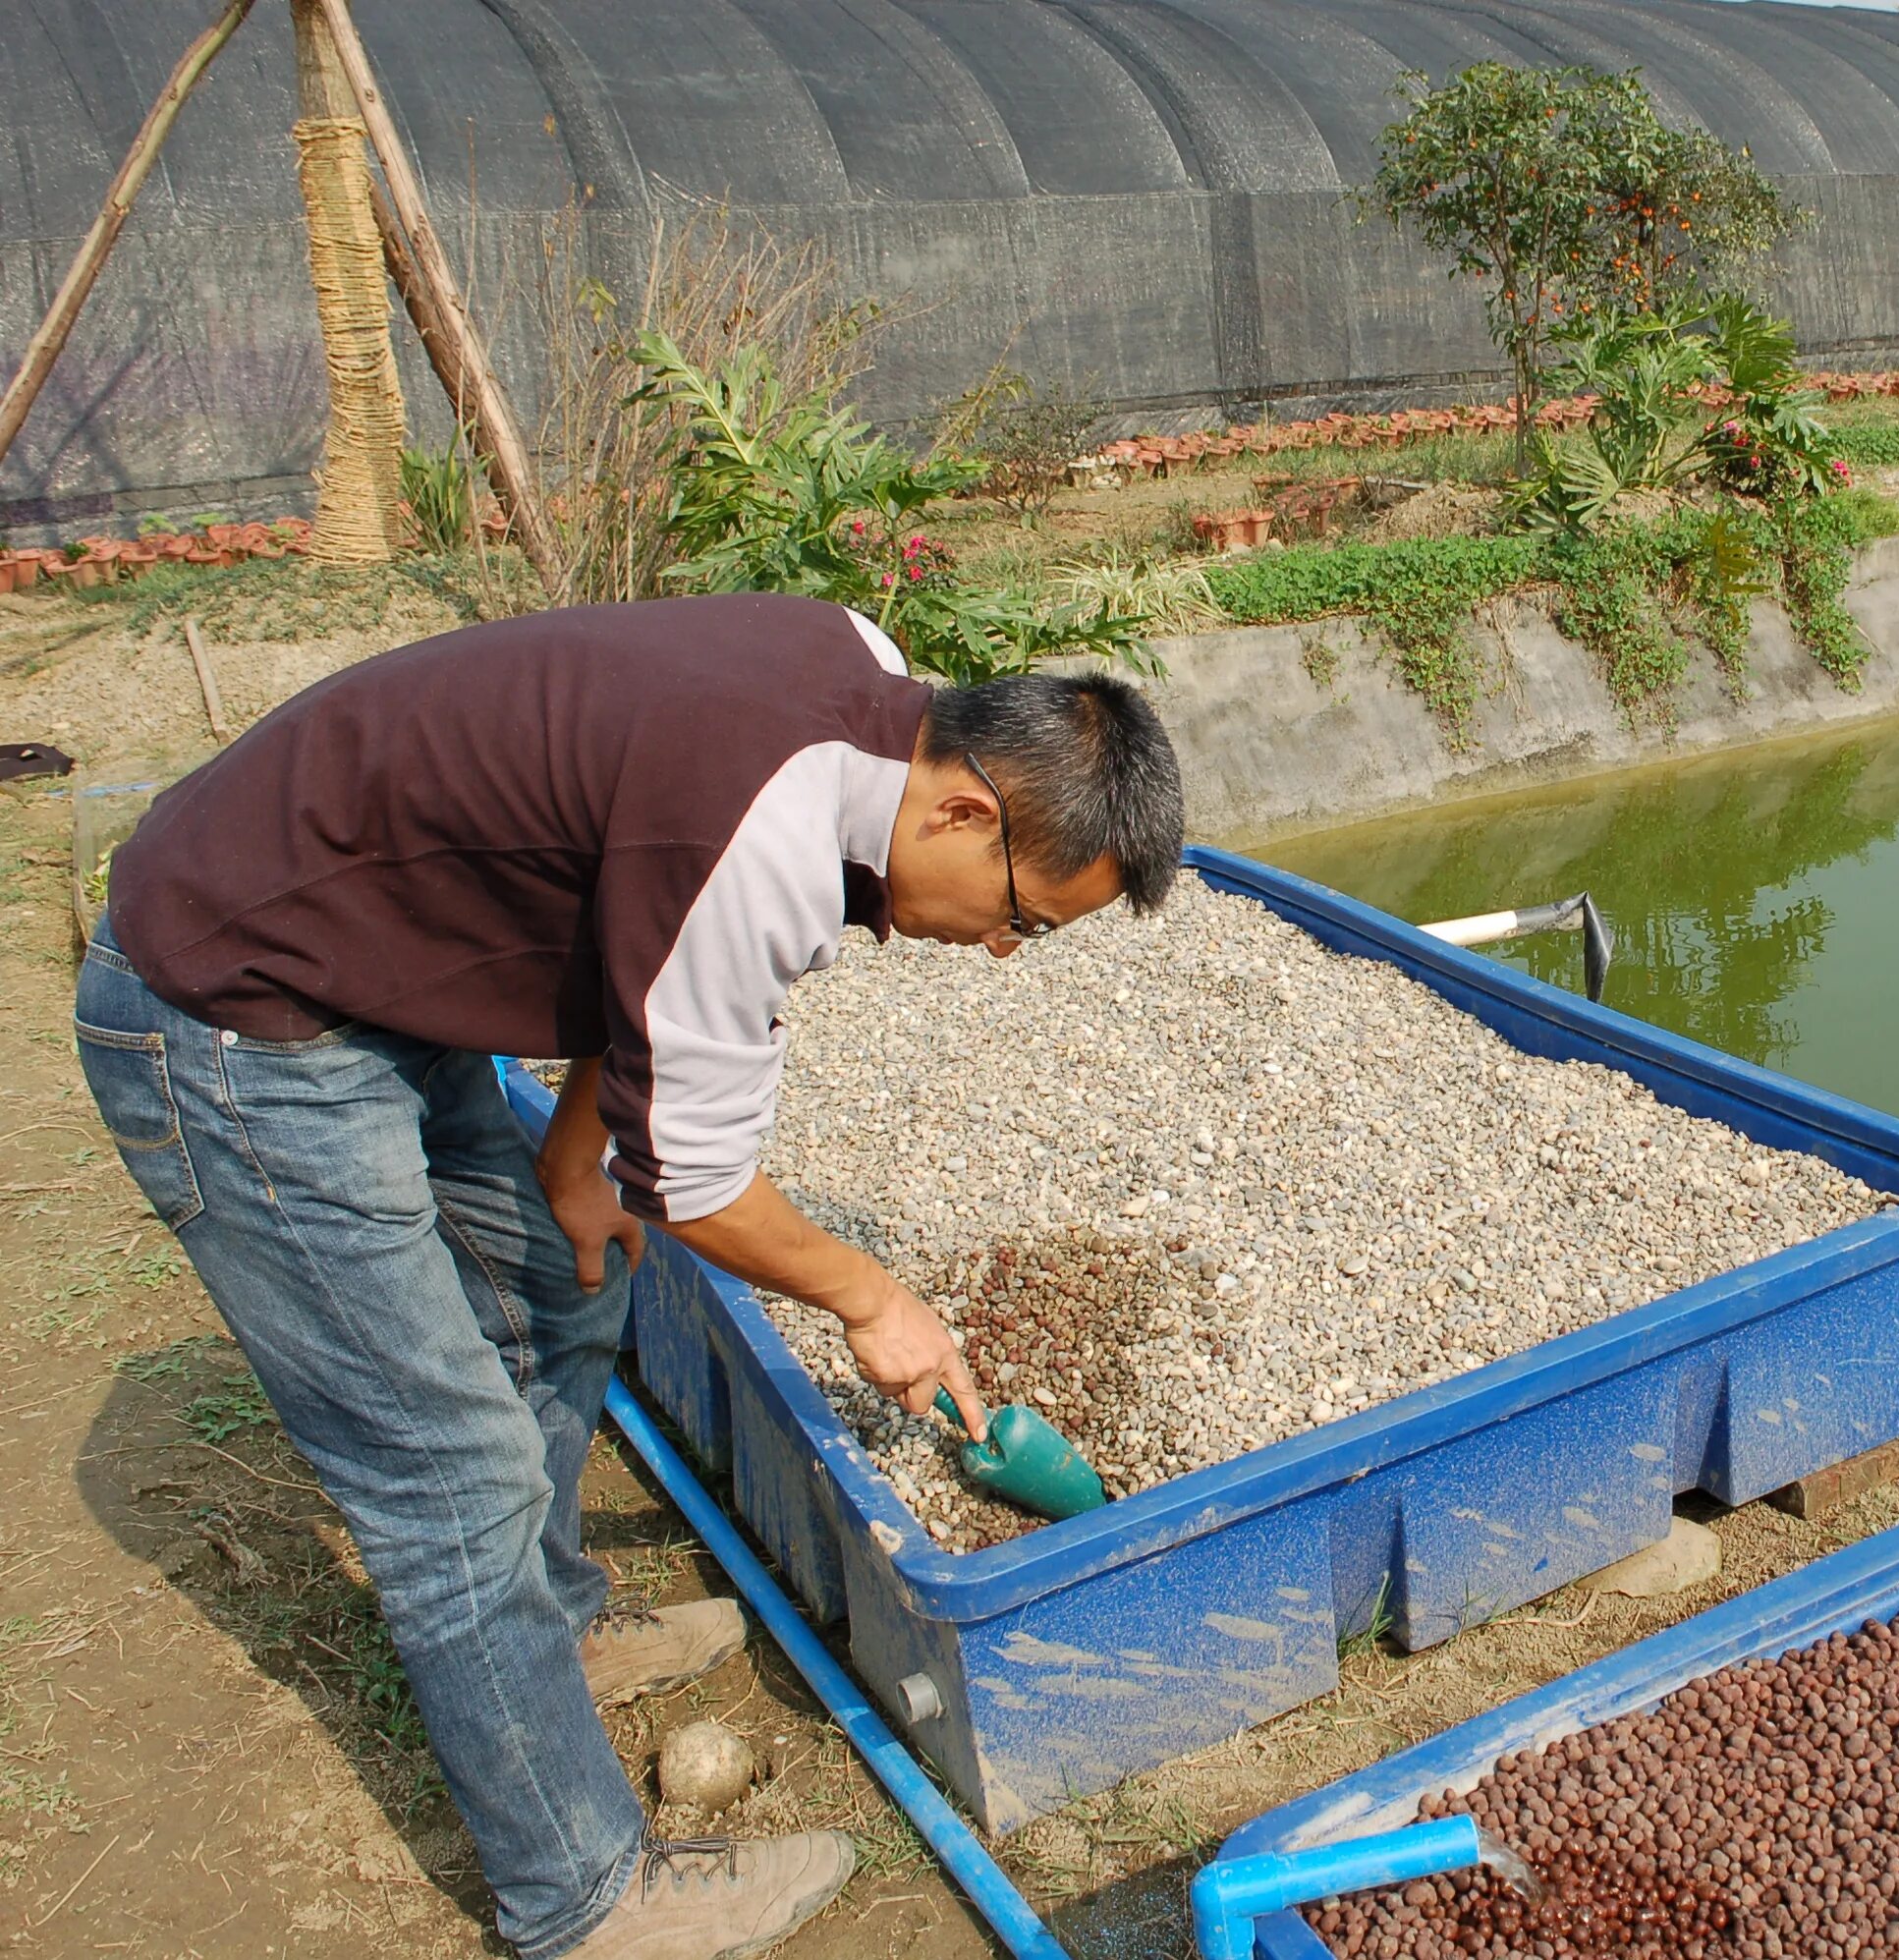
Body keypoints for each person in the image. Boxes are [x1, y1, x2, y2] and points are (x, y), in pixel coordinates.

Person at [73, 593, 1184, 1960]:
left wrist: (583, 1145)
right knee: (452, 1479)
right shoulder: (765, 830)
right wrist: (866, 1295)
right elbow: (703, 1174)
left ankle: (550, 1626)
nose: (1006, 950)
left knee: (569, 1273)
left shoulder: (868, 676)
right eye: (1029, 919)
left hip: (374, 956)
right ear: (963, 814)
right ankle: (587, 1901)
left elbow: (632, 893)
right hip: (242, 1013)